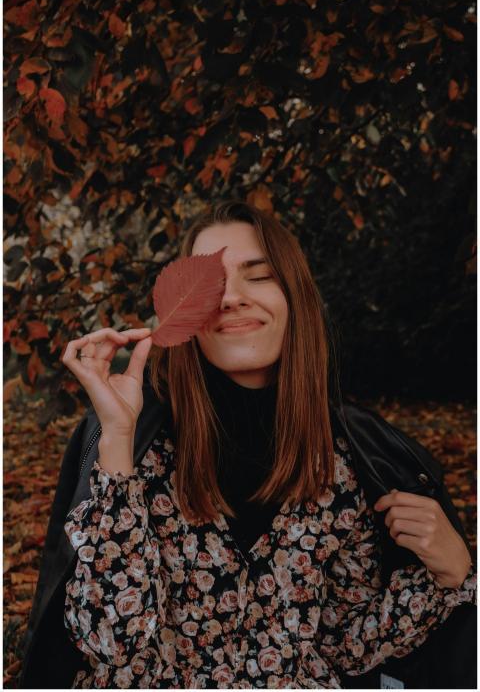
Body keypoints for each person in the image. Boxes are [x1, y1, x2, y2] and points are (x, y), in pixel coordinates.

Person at [33, 201, 476, 687]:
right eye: (209, 286)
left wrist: (451, 574)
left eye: (258, 276)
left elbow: (345, 649)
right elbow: (112, 647)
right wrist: (118, 441)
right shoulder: (134, 439)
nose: (230, 298)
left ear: (295, 297)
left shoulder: (350, 457)